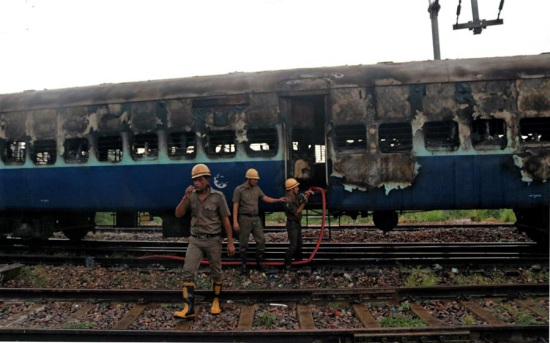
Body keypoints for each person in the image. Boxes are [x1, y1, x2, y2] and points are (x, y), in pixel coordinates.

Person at [173, 163, 236, 320]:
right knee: (188, 271)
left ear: (208, 180)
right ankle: (189, 308)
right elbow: (179, 214)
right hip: (195, 240)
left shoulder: (218, 197)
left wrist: (230, 242)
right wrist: (184, 198)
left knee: (216, 272)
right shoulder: (191, 195)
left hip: (213, 240)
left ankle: (216, 301)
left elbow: (225, 221)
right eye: (195, 180)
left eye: (200, 180)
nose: (197, 183)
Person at [232, 168, 286, 275]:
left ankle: (259, 261)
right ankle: (244, 265)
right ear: (249, 179)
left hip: (255, 218)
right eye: (255, 179)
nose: (256, 181)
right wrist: (235, 222)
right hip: (244, 218)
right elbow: (235, 206)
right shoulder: (239, 190)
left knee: (261, 240)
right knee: (243, 243)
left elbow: (265, 198)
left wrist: (278, 199)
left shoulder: (257, 188)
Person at [283, 178, 313, 271]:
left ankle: (298, 262)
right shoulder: (288, 200)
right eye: (296, 187)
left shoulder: (294, 196)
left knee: (299, 244)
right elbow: (296, 212)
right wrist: (304, 203)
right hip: (292, 224)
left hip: (296, 223)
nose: (298, 188)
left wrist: (306, 193)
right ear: (292, 189)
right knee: (294, 245)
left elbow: (300, 196)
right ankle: (287, 264)